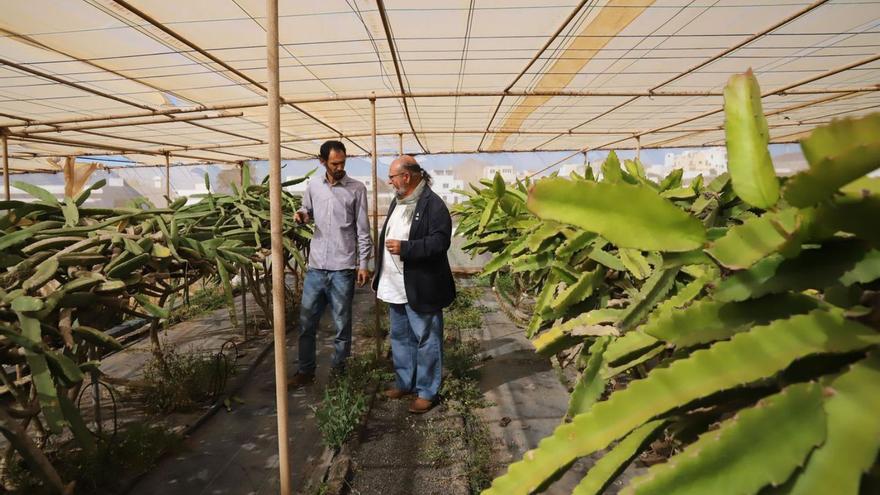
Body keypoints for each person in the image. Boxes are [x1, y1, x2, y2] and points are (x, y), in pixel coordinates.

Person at [372, 155, 456, 413]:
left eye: (393, 177)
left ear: (406, 177)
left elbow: (440, 242)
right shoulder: (399, 202)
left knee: (427, 339)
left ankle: (427, 391)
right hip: (396, 284)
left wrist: (406, 248)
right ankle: (404, 381)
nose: (390, 182)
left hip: (421, 286)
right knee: (400, 336)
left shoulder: (433, 205)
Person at [288, 140, 372, 387]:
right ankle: (305, 372)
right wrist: (302, 215)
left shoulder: (356, 189)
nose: (339, 167)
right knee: (306, 324)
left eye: (343, 162)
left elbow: (362, 229)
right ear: (322, 161)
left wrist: (363, 263)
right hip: (316, 267)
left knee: (341, 326)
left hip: (342, 268)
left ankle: (339, 374)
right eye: (335, 163)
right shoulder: (314, 185)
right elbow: (307, 210)